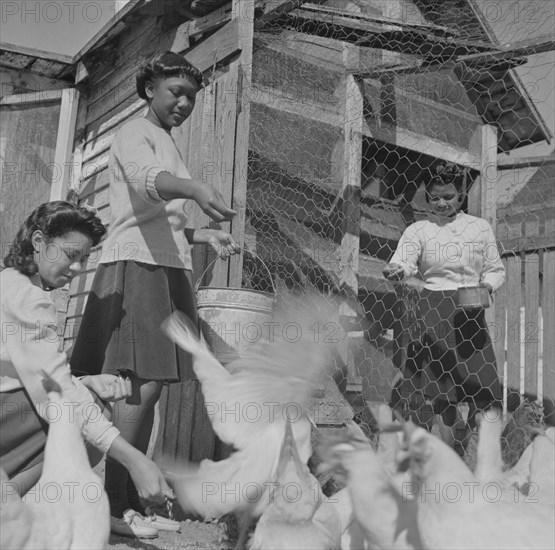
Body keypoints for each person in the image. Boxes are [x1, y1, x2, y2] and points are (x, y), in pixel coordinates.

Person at [69, 51, 240, 537]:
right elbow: (148, 188)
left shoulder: (164, 140)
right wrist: (192, 186)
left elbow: (157, 220)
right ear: (149, 90)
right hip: (137, 267)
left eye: (192, 96)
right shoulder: (133, 133)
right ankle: (116, 502)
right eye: (175, 93)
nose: (184, 103)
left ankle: (125, 500)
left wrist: (200, 236)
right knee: (137, 387)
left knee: (152, 386)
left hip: (162, 265)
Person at [0, 201, 174, 539]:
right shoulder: (26, 299)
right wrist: (136, 461)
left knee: (81, 398)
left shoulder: (9, 283)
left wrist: (86, 380)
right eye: (70, 254)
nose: (77, 268)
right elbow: (57, 392)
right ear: (38, 242)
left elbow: (25, 369)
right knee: (85, 409)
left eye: (84, 259)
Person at [383, 162, 505, 446]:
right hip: (435, 309)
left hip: (470, 310)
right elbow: (403, 261)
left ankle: (475, 449)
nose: (441, 203)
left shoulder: (479, 227)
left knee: (483, 388)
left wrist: (487, 285)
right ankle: (449, 452)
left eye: (448, 196)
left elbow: (496, 269)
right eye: (434, 196)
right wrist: (397, 271)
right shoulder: (419, 230)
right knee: (443, 390)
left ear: (461, 195)